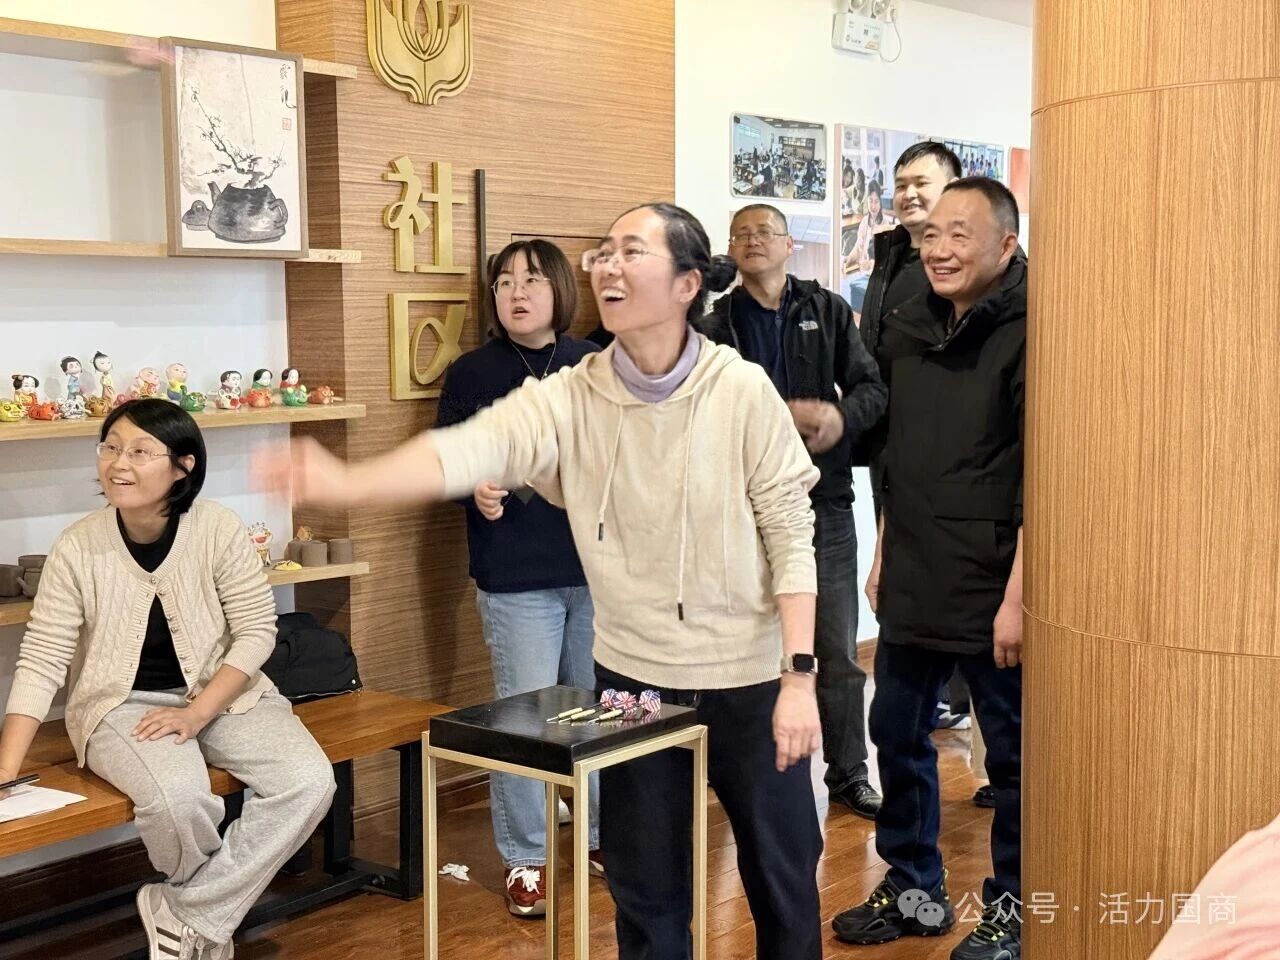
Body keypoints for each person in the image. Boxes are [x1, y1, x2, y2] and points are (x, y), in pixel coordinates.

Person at [261, 202, 826, 960]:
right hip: (635, 682)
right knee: (645, 892)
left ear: (687, 283)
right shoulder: (573, 392)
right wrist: (349, 481)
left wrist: (799, 675)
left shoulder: (741, 391)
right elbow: (469, 446)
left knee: (783, 882)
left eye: (632, 251)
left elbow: (791, 534)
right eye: (604, 252)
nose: (609, 266)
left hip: (750, 678)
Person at [0, 399, 336, 960]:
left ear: (183, 465)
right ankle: (204, 927)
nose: (118, 463)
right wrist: (6, 766)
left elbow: (257, 630)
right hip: (119, 704)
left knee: (308, 781)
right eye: (110, 447)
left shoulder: (217, 529)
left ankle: (186, 915)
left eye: (139, 451)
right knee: (177, 801)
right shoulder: (78, 545)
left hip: (224, 694)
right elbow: (43, 656)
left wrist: (198, 712)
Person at [832, 178, 1027, 960]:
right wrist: (884, 550)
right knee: (895, 732)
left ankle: (1015, 912)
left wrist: (1020, 597)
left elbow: (1045, 477)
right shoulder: (910, 323)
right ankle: (915, 890)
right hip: (914, 566)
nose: (940, 250)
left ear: (1006, 244)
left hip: (994, 578)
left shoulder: (1034, 328)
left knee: (1013, 762)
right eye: (931, 235)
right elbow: (899, 456)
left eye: (960, 235)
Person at [700, 203, 886, 820]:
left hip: (822, 504)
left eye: (765, 232)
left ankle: (848, 772)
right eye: (741, 234)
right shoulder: (716, 323)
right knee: (742, 649)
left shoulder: (825, 309)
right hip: (740, 509)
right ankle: (749, 775)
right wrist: (778, 416)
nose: (753, 241)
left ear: (788, 244)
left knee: (836, 648)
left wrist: (838, 417)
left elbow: (872, 389)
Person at [435, 239, 602, 918]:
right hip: (515, 578)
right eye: (503, 283)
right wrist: (472, 486)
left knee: (597, 712)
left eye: (531, 280)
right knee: (525, 718)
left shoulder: (593, 363)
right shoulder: (473, 372)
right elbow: (444, 459)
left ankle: (598, 835)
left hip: (595, 573)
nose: (516, 293)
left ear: (560, 289)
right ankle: (526, 857)